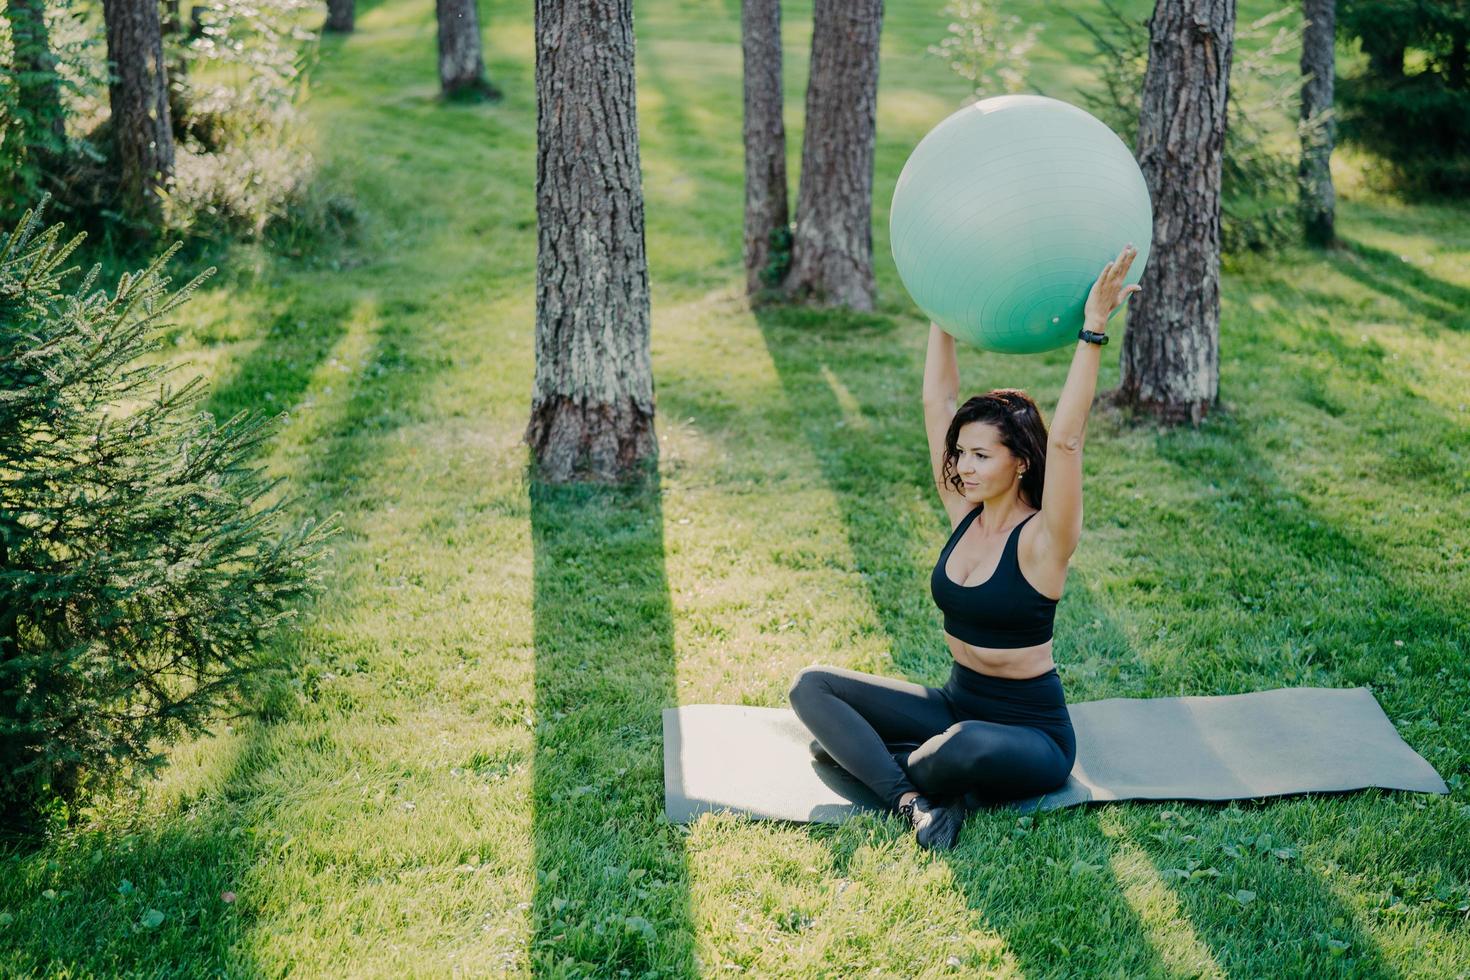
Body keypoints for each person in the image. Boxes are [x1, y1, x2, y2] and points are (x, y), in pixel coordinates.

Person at [789, 244, 1142, 850]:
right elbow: (938, 404)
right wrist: (940, 306)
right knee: (810, 686)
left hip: (1030, 731)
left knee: (964, 745)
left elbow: (1067, 442)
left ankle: (876, 762)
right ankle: (911, 800)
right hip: (957, 699)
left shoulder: (1045, 540)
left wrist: (1094, 329)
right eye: (960, 454)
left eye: (981, 456)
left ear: (1019, 462)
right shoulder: (963, 512)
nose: (963, 466)